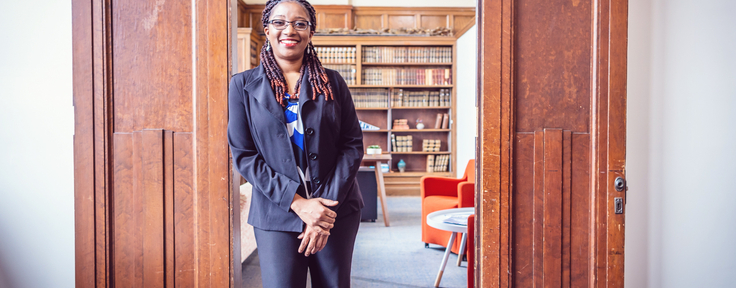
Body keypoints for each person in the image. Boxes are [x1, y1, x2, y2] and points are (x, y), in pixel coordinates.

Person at [227, 0, 364, 287]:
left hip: (335, 209)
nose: (289, 30)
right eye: (279, 22)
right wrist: (299, 204)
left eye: (300, 23)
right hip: (276, 213)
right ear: (267, 29)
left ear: (310, 32)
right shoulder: (242, 86)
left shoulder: (333, 83)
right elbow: (245, 155)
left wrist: (322, 211)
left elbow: (352, 145)